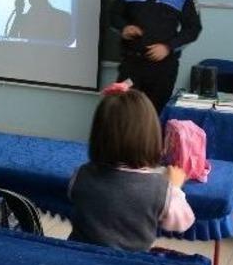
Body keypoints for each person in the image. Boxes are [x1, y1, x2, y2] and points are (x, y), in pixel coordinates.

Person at [68, 88, 195, 252]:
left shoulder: (81, 174)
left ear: (98, 135)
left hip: (79, 261)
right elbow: (183, 222)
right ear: (150, 136)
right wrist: (175, 187)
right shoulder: (160, 189)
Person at [109, 0, 202, 113]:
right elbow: (114, 15)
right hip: (131, 64)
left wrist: (168, 47)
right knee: (122, 114)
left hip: (163, 69)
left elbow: (193, 28)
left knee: (153, 118)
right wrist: (124, 27)